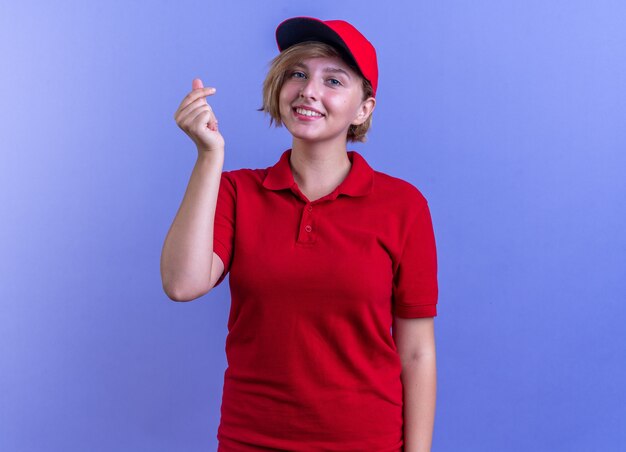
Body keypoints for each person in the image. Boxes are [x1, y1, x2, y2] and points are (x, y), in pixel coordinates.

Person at [161, 16, 438, 452]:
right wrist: (209, 157)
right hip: (250, 440)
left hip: (367, 441)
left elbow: (417, 351)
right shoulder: (236, 191)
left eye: (334, 80)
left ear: (364, 108)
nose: (309, 90)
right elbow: (182, 284)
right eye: (297, 73)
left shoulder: (404, 206)